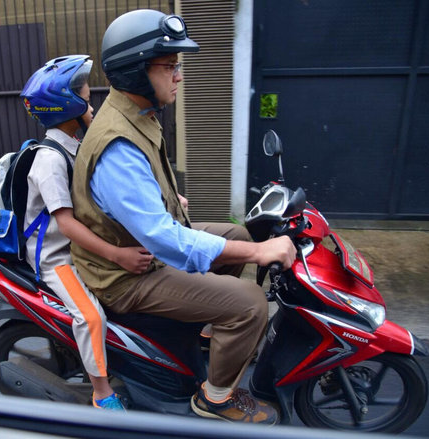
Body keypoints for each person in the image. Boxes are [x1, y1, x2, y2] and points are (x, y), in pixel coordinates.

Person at [70, 10, 296, 424]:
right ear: (138, 71)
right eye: (170, 66)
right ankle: (215, 398)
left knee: (235, 232)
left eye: (178, 66)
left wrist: (245, 241)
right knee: (249, 304)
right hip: (125, 275)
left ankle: (211, 331)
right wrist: (260, 250)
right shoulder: (117, 144)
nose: (179, 75)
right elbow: (163, 240)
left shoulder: (134, 113)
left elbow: (142, 197)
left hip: (140, 247)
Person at [20, 55, 154, 411]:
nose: (92, 106)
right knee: (91, 316)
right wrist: (118, 254)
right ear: (70, 106)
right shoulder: (49, 161)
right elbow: (65, 224)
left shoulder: (74, 146)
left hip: (79, 249)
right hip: (57, 259)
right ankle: (101, 393)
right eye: (87, 99)